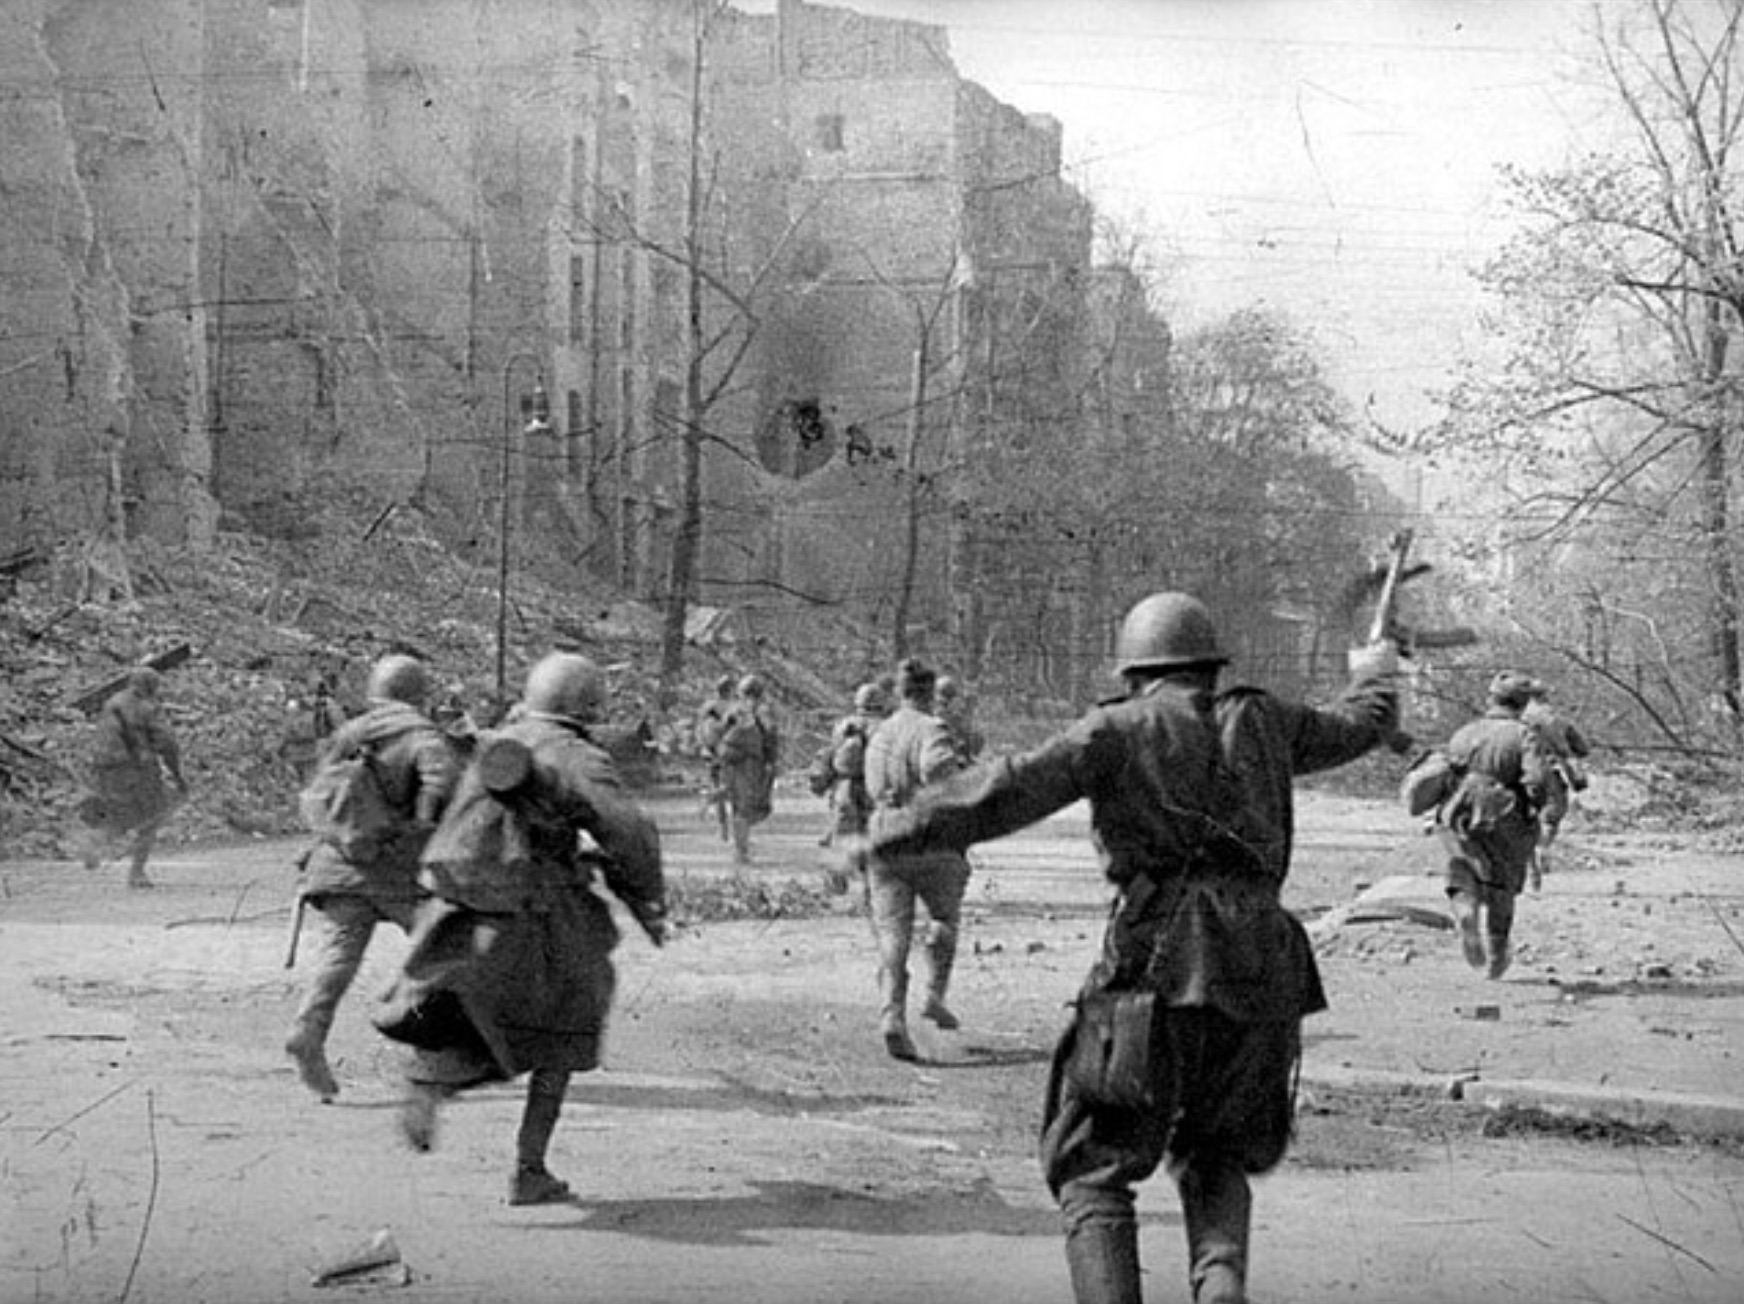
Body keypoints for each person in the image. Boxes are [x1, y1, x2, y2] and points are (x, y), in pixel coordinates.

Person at [868, 593, 1399, 1304]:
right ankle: (1219, 1283)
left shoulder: (1116, 728)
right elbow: (1362, 723)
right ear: (1210, 666)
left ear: (1135, 670)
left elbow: (1008, 789)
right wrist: (1375, 667)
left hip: (1158, 960)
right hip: (1263, 966)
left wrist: (892, 832)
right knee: (1217, 1149)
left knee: (1090, 1165)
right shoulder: (1267, 719)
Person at [380, 651, 667, 1206]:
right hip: (535, 905)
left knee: (493, 1018)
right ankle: (527, 1166)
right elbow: (627, 829)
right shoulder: (576, 753)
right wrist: (648, 895)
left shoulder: (503, 739)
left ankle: (435, 1082)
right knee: (569, 1024)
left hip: (460, 902)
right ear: (588, 705)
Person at [285, 653, 457, 1103]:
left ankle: (308, 1029)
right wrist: (424, 825)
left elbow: (318, 792)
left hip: (339, 865)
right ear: (419, 693)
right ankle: (430, 1053)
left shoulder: (350, 732)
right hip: (399, 871)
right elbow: (440, 784)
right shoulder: (423, 735)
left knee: (338, 958)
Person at [861, 658, 971, 1061]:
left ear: (899, 692)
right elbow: (938, 772)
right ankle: (933, 994)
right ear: (928, 692)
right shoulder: (931, 728)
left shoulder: (880, 732)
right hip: (927, 835)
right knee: (944, 916)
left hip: (884, 833)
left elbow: (868, 783)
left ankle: (891, 1016)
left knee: (892, 932)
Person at [1431, 671, 1553, 978]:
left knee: (1463, 866)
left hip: (1456, 809)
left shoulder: (1465, 731)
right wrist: (1535, 807)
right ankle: (1497, 954)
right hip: (1502, 811)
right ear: (1523, 703)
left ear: (1491, 699)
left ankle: (1466, 910)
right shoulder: (1523, 735)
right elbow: (1537, 779)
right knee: (1502, 880)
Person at [77, 666, 189, 889]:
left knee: (120, 814)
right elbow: (166, 742)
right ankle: (137, 873)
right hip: (138, 769)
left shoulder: (112, 703)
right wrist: (177, 773)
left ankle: (95, 841)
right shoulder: (148, 708)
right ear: (151, 686)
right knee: (152, 817)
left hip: (106, 770)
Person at [1521, 678, 1590, 890]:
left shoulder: (1516, 719)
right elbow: (1583, 748)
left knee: (1523, 820)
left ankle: (1531, 866)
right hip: (1551, 771)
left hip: (1521, 772)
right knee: (1552, 815)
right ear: (1546, 696)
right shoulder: (1558, 719)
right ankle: (1543, 847)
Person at [718, 673, 780, 865]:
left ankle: (741, 845)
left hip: (735, 764)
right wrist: (771, 760)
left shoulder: (734, 710)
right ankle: (741, 850)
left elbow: (721, 733)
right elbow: (770, 734)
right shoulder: (756, 711)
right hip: (748, 764)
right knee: (745, 807)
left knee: (741, 806)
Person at [819, 681, 888, 849]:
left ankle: (832, 842)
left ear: (858, 702)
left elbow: (831, 754)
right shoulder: (886, 726)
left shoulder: (843, 725)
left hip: (844, 784)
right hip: (874, 785)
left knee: (842, 832)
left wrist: (825, 781)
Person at [695, 674, 736, 839]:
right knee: (733, 790)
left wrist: (703, 747)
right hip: (728, 754)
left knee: (719, 787)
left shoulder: (707, 707)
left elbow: (700, 731)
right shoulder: (733, 707)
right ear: (730, 690)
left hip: (711, 753)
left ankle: (723, 829)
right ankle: (732, 829)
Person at [935, 675, 986, 767]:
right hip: (946, 753)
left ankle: (966, 759)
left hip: (952, 751)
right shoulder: (941, 714)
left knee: (974, 736)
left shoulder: (951, 713)